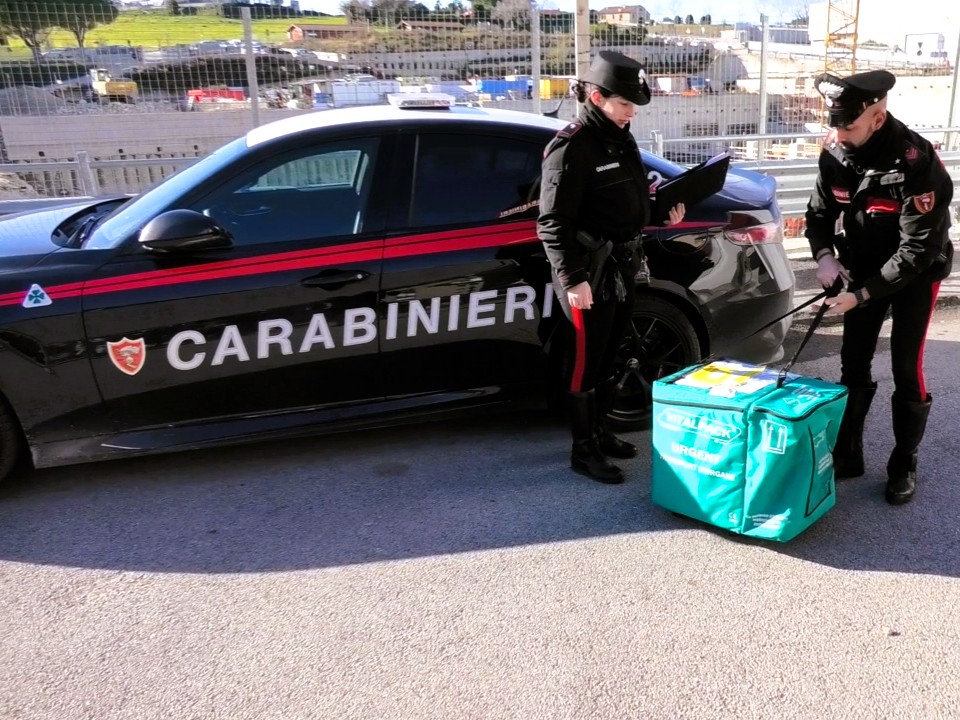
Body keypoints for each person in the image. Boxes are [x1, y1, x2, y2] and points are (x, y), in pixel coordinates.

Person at [805, 69, 954, 505]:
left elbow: (917, 250)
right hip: (861, 266)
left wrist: (862, 295)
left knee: (907, 369)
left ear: (877, 115)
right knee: (853, 363)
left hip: (914, 275)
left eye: (847, 125)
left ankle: (903, 462)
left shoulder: (916, 163)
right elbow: (817, 216)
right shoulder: (835, 151)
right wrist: (825, 257)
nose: (838, 133)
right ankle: (848, 452)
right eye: (834, 124)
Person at [538, 50, 685, 484]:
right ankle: (583, 452)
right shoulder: (570, 148)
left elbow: (627, 199)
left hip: (621, 268)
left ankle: (601, 435)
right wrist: (572, 279)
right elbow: (552, 223)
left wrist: (661, 213)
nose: (630, 114)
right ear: (598, 97)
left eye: (633, 106)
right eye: (624, 105)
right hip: (588, 273)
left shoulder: (620, 138)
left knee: (611, 359)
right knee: (586, 364)